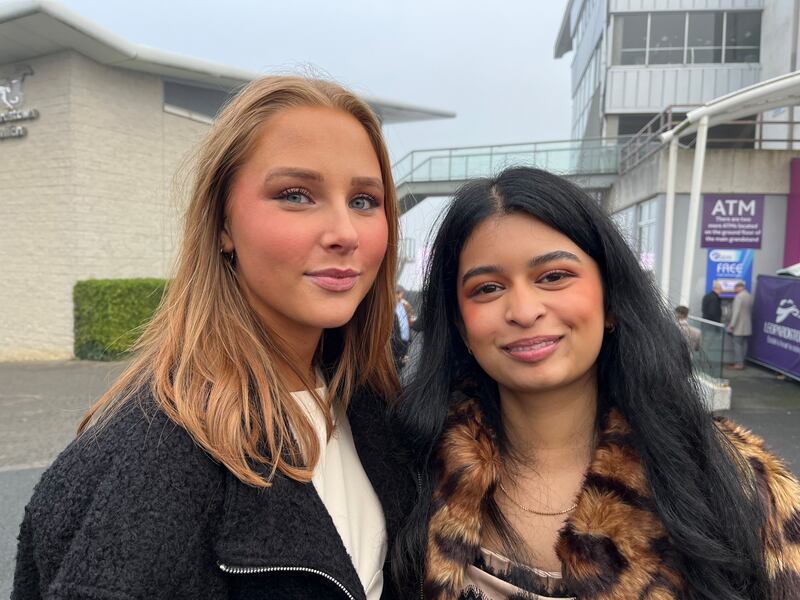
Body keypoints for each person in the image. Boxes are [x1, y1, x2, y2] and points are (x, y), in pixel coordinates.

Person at [13, 77, 416, 600]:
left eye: (364, 200)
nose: (345, 232)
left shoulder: (375, 405)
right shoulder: (152, 457)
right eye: (296, 195)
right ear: (223, 224)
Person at [392, 167, 800, 600]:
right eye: (488, 288)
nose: (524, 311)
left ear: (611, 300)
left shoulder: (734, 481)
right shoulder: (407, 473)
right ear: (460, 324)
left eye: (554, 276)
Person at [728, 281, 754, 370]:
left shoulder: (739, 297)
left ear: (739, 288)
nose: (734, 290)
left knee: (737, 345)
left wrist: (732, 325)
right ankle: (742, 361)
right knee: (744, 344)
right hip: (747, 326)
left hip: (739, 326)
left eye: (735, 288)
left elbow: (736, 312)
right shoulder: (749, 296)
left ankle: (739, 363)